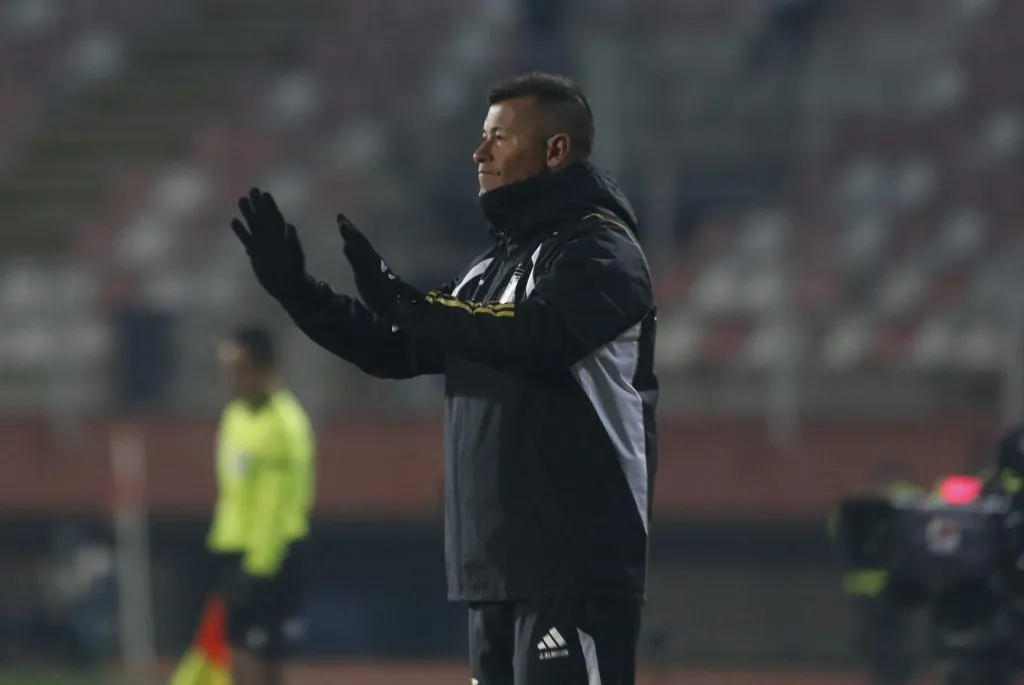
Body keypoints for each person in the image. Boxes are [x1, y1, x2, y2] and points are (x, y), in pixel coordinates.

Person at [228, 72, 658, 685]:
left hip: (574, 565)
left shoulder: (604, 253)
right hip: (494, 570)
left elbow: (534, 336)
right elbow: (395, 350)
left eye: (499, 139)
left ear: (556, 150)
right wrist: (298, 292)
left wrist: (405, 300)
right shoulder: (492, 267)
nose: (479, 154)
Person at [206, 325, 316, 685]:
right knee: (237, 653)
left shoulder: (284, 424)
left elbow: (277, 503)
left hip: (272, 558)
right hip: (235, 550)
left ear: (265, 368)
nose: (231, 380)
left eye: (239, 370)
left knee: (263, 657)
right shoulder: (234, 417)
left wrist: (258, 568)